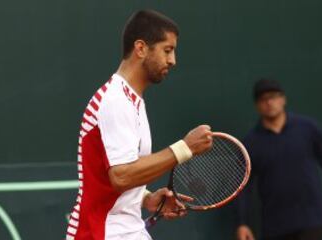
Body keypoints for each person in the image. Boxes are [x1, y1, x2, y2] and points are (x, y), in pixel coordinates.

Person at [66, 10, 213, 240]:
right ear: (141, 48)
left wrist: (145, 198)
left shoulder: (132, 99)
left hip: (128, 230)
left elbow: (114, 177)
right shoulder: (115, 100)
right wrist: (185, 148)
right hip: (101, 233)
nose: (173, 60)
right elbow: (121, 175)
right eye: (167, 50)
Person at [235, 79, 322, 240]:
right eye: (263, 99)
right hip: (275, 226)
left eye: (273, 96)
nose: (269, 102)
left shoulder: (308, 128)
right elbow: (243, 188)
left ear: (283, 99)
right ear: (257, 105)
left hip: (311, 219)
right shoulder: (250, 143)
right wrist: (242, 223)